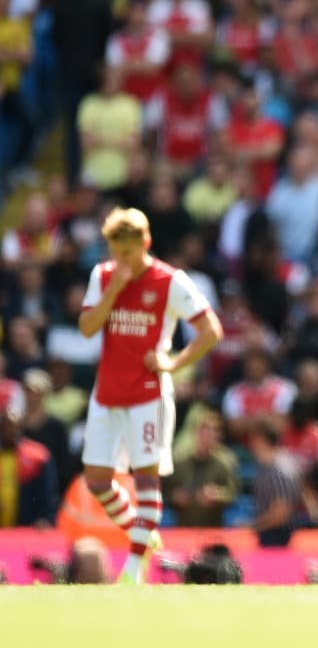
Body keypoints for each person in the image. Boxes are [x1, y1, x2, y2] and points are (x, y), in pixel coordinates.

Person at [76, 207, 223, 582]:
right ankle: (143, 533)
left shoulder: (170, 281)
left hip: (148, 397)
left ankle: (133, 568)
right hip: (107, 394)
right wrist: (114, 289)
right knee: (97, 481)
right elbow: (87, 328)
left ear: (146, 242)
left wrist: (173, 363)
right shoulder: (103, 276)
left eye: (128, 252)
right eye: (115, 252)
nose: (121, 260)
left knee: (146, 480)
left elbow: (211, 331)